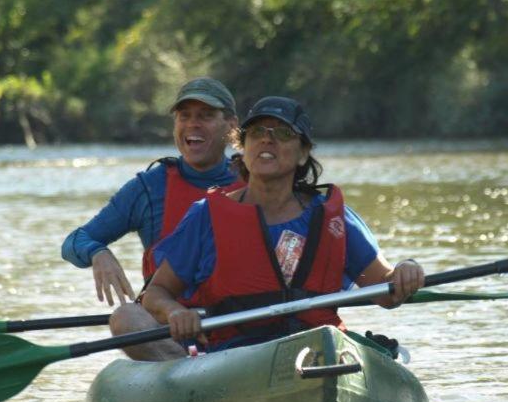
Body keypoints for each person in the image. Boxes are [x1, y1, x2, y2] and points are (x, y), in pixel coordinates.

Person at [140, 96, 424, 355]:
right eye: (257, 133)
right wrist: (174, 312)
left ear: (303, 154)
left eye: (283, 134)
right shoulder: (206, 216)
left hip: (317, 347)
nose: (267, 140)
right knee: (127, 317)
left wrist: (406, 269)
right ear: (243, 146)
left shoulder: (332, 219)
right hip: (234, 354)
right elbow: (155, 293)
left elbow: (386, 292)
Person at [61, 77, 244, 359]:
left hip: (241, 322)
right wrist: (98, 252)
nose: (193, 124)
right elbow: (76, 240)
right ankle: (185, 370)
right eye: (185, 116)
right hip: (169, 329)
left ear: (231, 126)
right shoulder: (150, 187)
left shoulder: (256, 180)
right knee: (125, 317)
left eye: (206, 116)